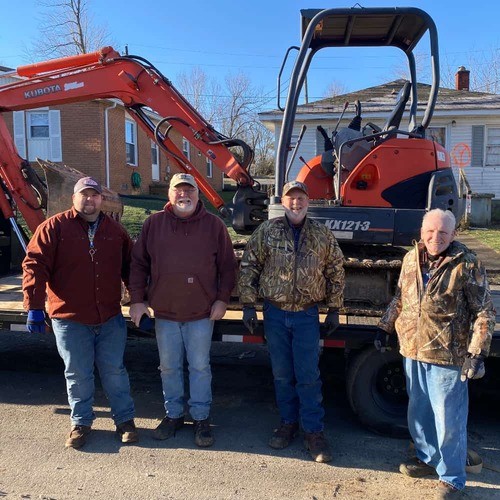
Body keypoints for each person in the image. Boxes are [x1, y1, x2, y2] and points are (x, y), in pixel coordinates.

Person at [376, 208, 495, 498]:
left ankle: (452, 477)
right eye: (430, 231)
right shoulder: (410, 259)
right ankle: (427, 458)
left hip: (448, 356)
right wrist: (385, 326)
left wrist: (476, 352)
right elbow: (401, 297)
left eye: (443, 232)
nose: (435, 237)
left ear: (453, 234)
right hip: (413, 349)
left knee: (448, 418)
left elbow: (484, 311)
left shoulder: (467, 263)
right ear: (421, 232)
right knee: (419, 412)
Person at [22, 176, 138, 449]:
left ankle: (125, 421)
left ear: (101, 199)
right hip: (70, 319)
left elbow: (131, 268)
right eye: (84, 195)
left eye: (94, 195)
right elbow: (35, 265)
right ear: (74, 198)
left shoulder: (115, 231)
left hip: (109, 317)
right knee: (77, 374)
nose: (89, 200)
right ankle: (81, 423)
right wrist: (34, 306)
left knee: (115, 372)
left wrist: (139, 300)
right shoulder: (54, 227)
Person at [238, 180, 345, 463]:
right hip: (275, 313)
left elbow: (335, 269)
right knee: (282, 374)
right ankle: (287, 423)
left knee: (308, 375)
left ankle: (313, 431)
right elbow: (250, 265)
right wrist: (248, 305)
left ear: (308, 201)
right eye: (290, 198)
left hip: (307, 315)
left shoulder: (321, 234)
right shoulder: (267, 230)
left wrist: (334, 308)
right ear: (283, 202)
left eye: (300, 198)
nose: (295, 203)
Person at [128, 172, 236, 447]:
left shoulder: (214, 225)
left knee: (199, 367)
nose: (184, 195)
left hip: (201, 312)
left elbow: (227, 266)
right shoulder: (154, 224)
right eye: (179, 190)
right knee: (169, 367)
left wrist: (222, 299)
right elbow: (138, 264)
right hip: (165, 312)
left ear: (198, 195)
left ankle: (201, 418)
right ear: (170, 194)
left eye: (189, 190)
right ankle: (173, 415)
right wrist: (137, 300)